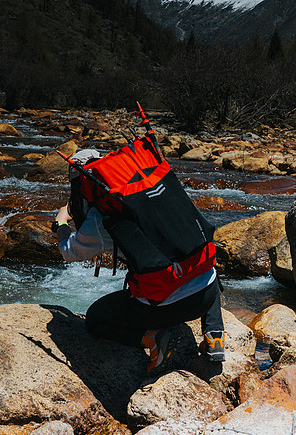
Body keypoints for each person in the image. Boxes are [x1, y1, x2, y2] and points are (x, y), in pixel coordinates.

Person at [53, 147, 225, 371]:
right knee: (197, 257)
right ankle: (215, 335)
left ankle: (153, 337)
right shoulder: (158, 187)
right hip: (208, 296)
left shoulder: (102, 215)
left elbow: (69, 252)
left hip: (168, 307)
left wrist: (61, 224)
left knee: (95, 318)